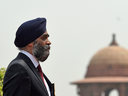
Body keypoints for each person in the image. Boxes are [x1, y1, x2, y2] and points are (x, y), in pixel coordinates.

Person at [3, 18, 55, 96]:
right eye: (44, 38)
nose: (49, 42)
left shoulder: (33, 69)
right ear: (30, 41)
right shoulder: (19, 68)